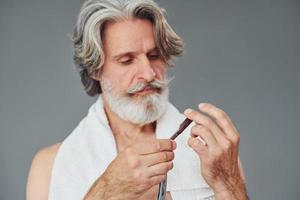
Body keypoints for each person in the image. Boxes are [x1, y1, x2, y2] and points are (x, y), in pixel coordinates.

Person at [26, 0, 249, 199]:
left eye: (154, 56)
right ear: (95, 69)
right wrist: (106, 190)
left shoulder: (214, 151)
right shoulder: (50, 166)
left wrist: (228, 184)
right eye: (126, 60)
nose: (149, 74)